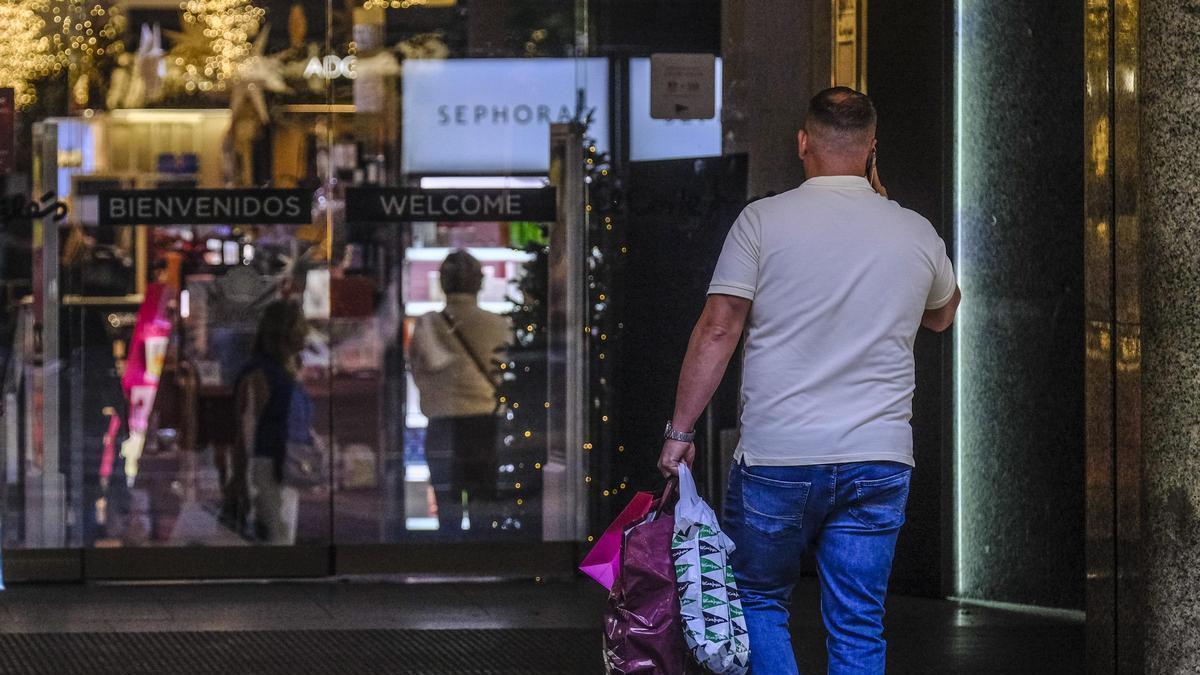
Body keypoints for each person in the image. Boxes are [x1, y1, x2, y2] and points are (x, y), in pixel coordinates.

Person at [658, 87, 961, 674]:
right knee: (857, 620)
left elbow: (718, 330)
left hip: (779, 455)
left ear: (803, 143)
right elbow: (943, 314)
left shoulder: (761, 222)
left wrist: (680, 430)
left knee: (759, 600)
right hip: (878, 457)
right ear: (873, 148)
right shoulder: (914, 231)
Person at [410, 250, 510, 536]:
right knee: (483, 506)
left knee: (448, 509)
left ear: (442, 283)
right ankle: (485, 566)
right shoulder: (499, 324)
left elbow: (418, 371)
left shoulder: (427, 323)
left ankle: (452, 564)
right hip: (484, 425)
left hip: (441, 425)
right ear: (480, 283)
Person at [232, 299, 312, 544]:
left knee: (283, 535)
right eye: (300, 325)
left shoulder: (288, 370)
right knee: (276, 538)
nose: (306, 332)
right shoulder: (261, 374)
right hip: (266, 467)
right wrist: (241, 480)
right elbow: (245, 430)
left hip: (287, 465)